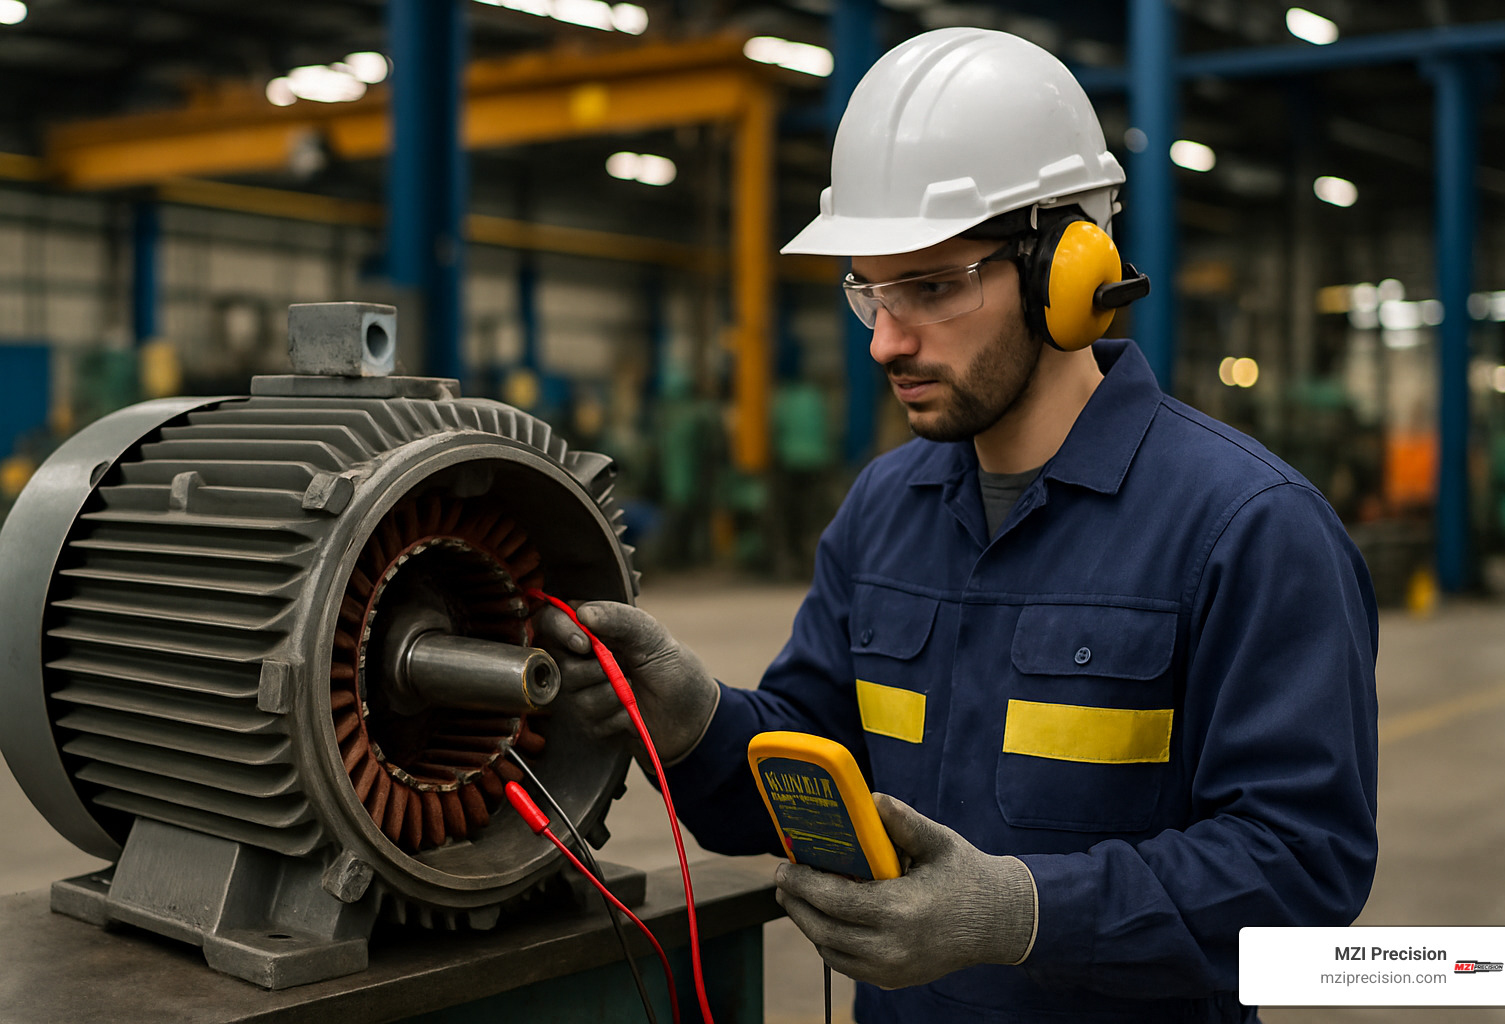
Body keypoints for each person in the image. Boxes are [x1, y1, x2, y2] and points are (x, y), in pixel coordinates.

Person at [539, 26, 1378, 1024]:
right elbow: (816, 779)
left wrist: (1021, 914)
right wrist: (694, 720)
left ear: (1068, 271)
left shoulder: (1247, 531)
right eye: (870, 290)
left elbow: (1300, 874)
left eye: (931, 287)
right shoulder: (884, 511)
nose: (887, 339)